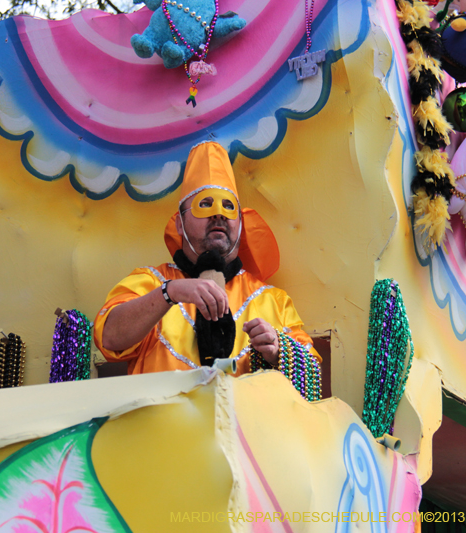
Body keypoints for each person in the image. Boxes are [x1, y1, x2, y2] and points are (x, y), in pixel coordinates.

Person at [93, 141, 320, 382]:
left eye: (229, 207)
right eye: (205, 204)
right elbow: (109, 338)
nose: (219, 213)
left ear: (240, 224)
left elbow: (314, 378)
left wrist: (279, 352)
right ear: (179, 224)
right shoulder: (149, 282)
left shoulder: (273, 300)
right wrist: (170, 292)